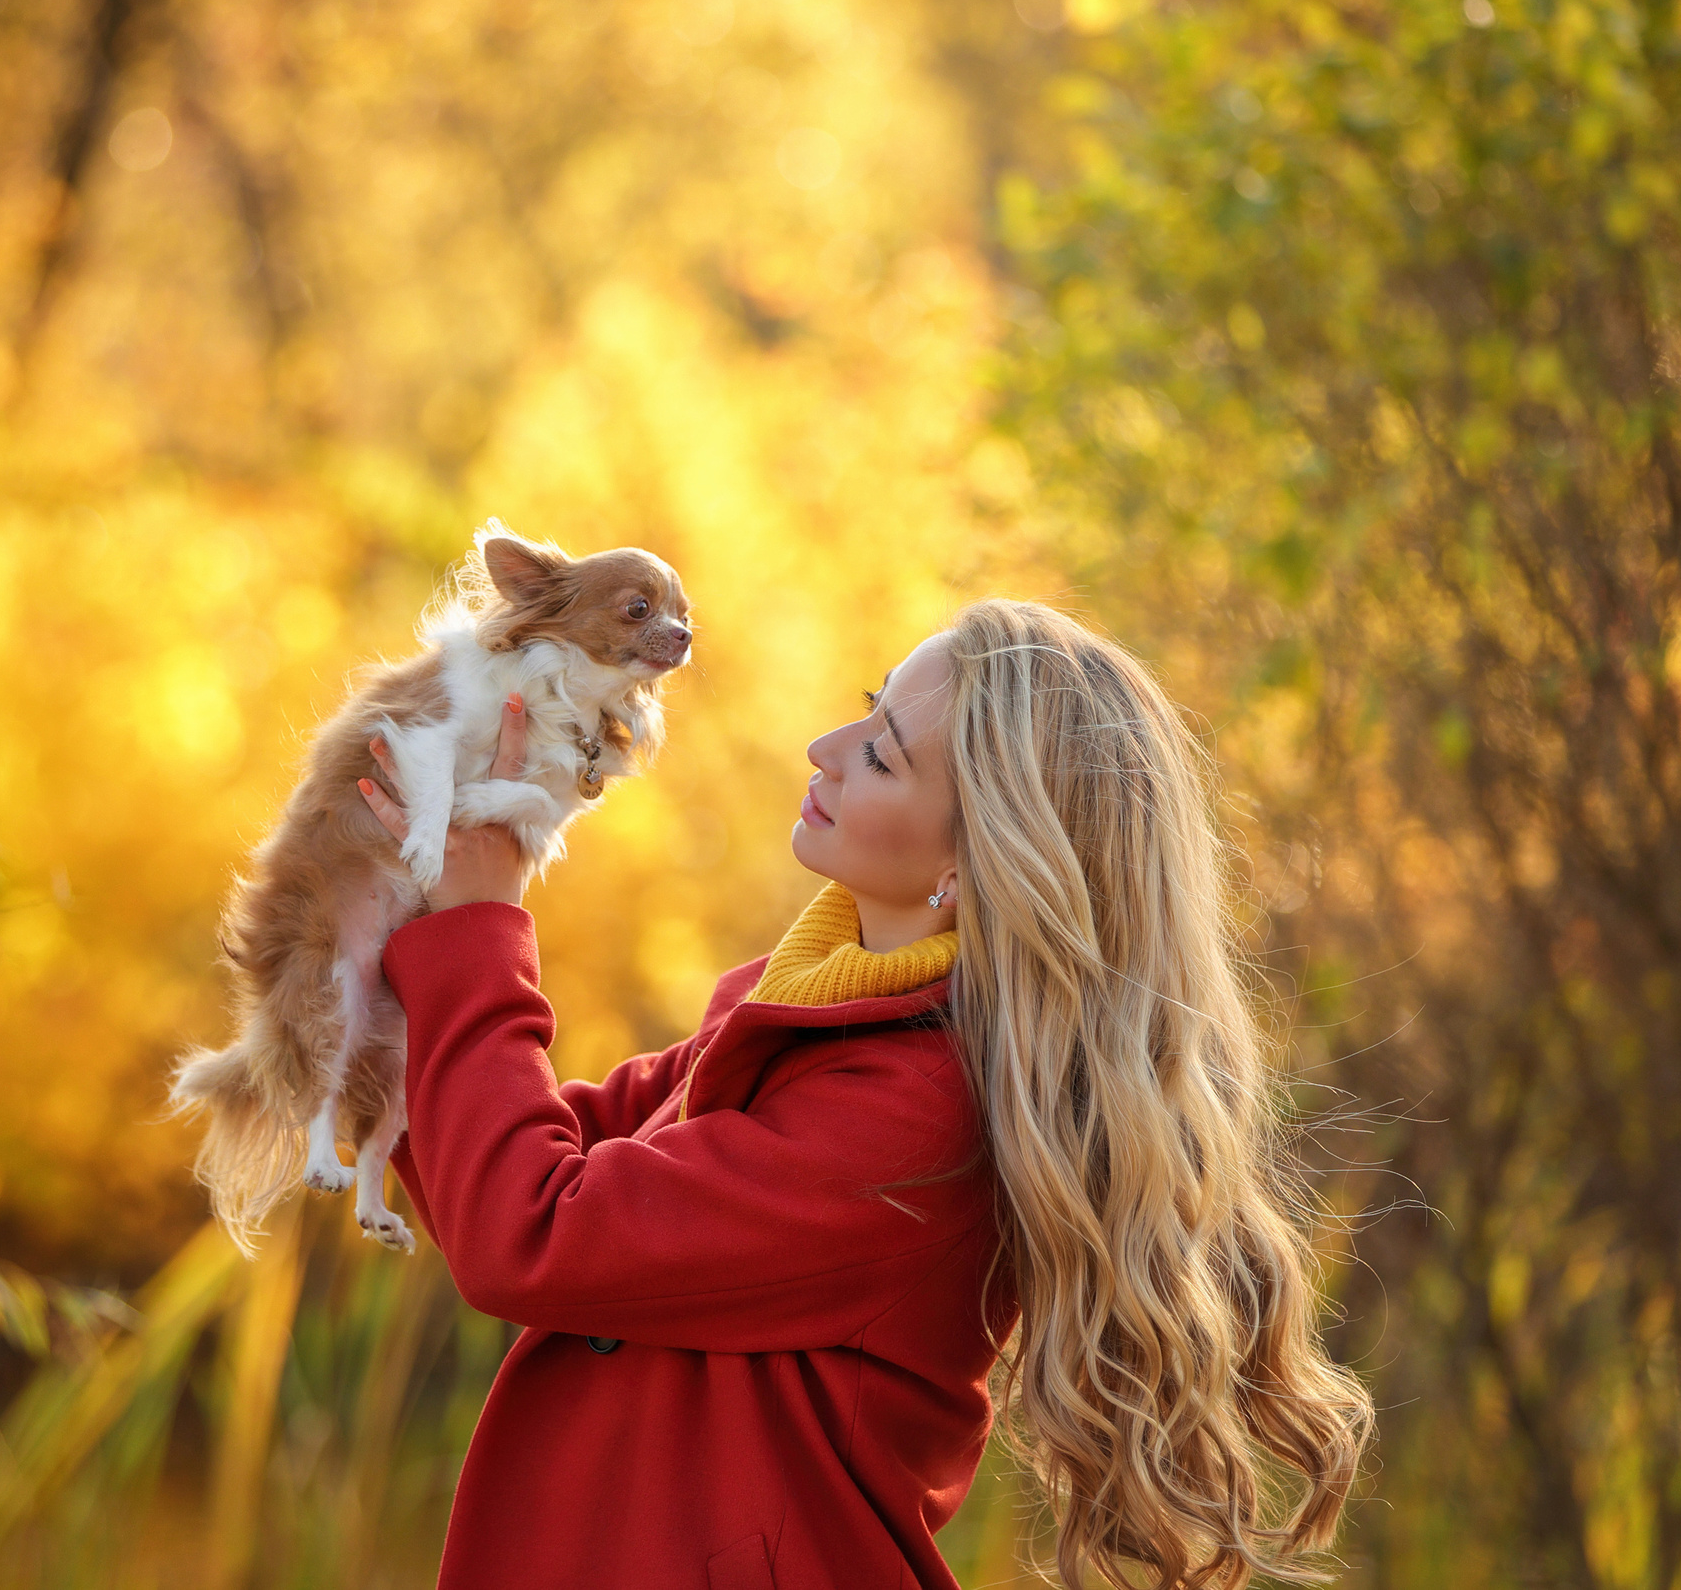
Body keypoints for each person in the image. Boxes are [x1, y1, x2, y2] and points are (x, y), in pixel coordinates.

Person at [354, 597, 1373, 1590]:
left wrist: (481, 927)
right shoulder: (797, 1004)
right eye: (867, 706)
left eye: (882, 754)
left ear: (974, 868)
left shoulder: (915, 1115)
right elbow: (507, 1160)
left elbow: (528, 1232)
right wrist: (364, 942)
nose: (825, 748)